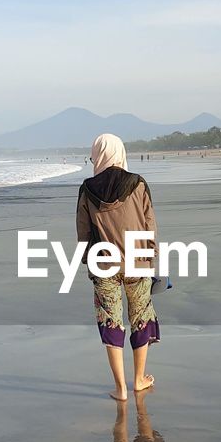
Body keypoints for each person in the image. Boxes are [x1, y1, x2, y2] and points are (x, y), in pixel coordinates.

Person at [77, 133, 159, 400]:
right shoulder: (138, 184)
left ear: (98, 155)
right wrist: (152, 258)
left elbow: (83, 231)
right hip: (137, 262)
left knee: (110, 321)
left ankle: (121, 388)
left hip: (105, 264)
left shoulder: (87, 189)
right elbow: (149, 225)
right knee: (140, 318)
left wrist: (87, 260)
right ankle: (139, 379)